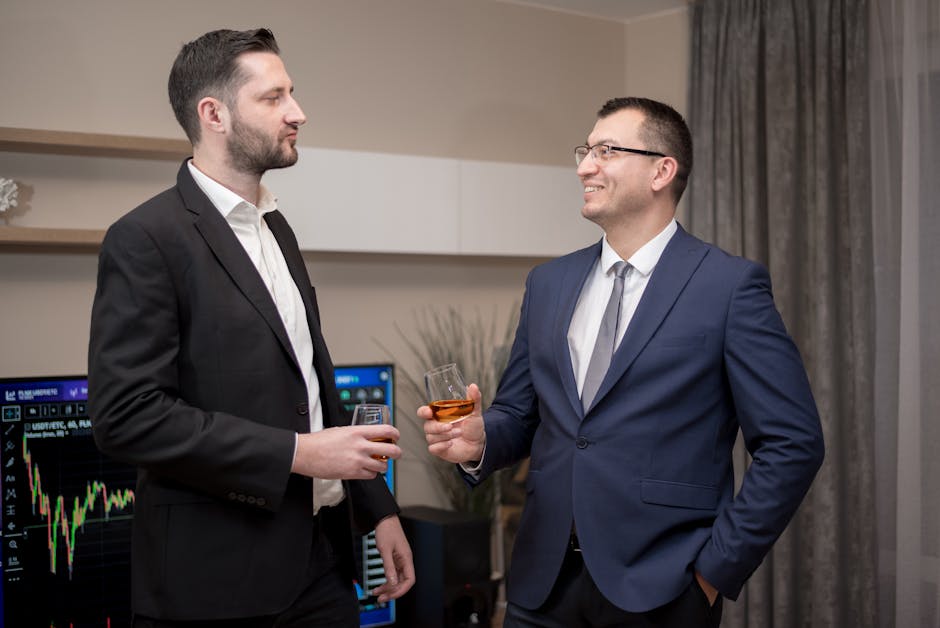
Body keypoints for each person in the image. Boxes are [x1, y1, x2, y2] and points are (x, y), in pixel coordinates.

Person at [420, 97, 824, 627]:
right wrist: (479, 441)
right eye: (585, 150)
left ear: (662, 170)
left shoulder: (729, 287)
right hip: (541, 586)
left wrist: (713, 571)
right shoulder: (548, 284)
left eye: (606, 150)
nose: (585, 165)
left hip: (664, 589)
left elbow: (793, 443)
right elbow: (520, 416)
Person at [89, 28, 414, 627]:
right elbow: (126, 416)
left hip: (321, 563)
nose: (298, 113)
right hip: (218, 585)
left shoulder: (275, 229)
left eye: (291, 93)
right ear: (213, 114)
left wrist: (378, 509)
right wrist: (297, 454)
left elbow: (310, 387)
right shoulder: (145, 238)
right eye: (274, 98)